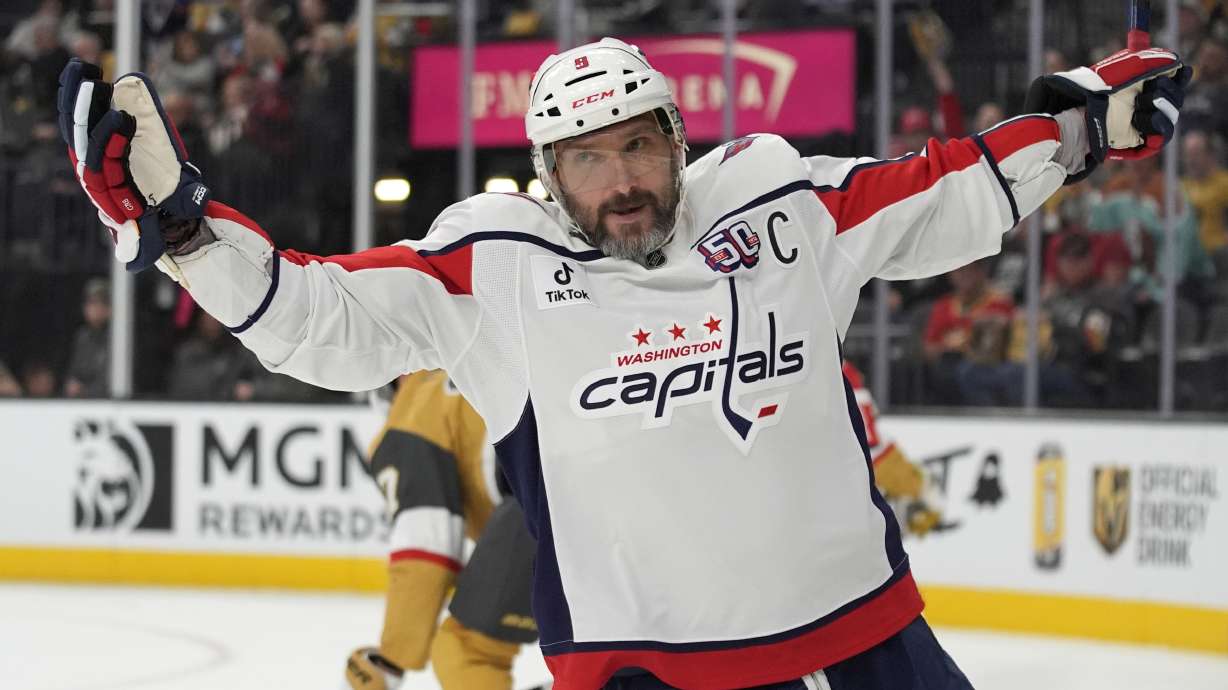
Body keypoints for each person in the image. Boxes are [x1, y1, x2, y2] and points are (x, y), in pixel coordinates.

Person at [57, 38, 1189, 689]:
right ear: (551, 171)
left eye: (639, 144)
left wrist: (1080, 131)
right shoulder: (491, 267)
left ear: (677, 144)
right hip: (642, 663)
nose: (622, 180)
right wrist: (186, 229)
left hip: (860, 626)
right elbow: (321, 312)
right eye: (589, 158)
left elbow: (941, 184)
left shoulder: (778, 200)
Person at [346, 370, 537, 690]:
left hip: (550, 500)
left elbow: (426, 546)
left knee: (466, 653)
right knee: (616, 648)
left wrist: (393, 657)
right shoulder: (481, 360)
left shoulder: (417, 404)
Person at [64, 277, 110, 398]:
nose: (96, 308)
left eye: (102, 303)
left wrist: (85, 391)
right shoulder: (82, 337)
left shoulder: (118, 338)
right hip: (83, 403)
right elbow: (74, 372)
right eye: (91, 302)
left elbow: (111, 380)